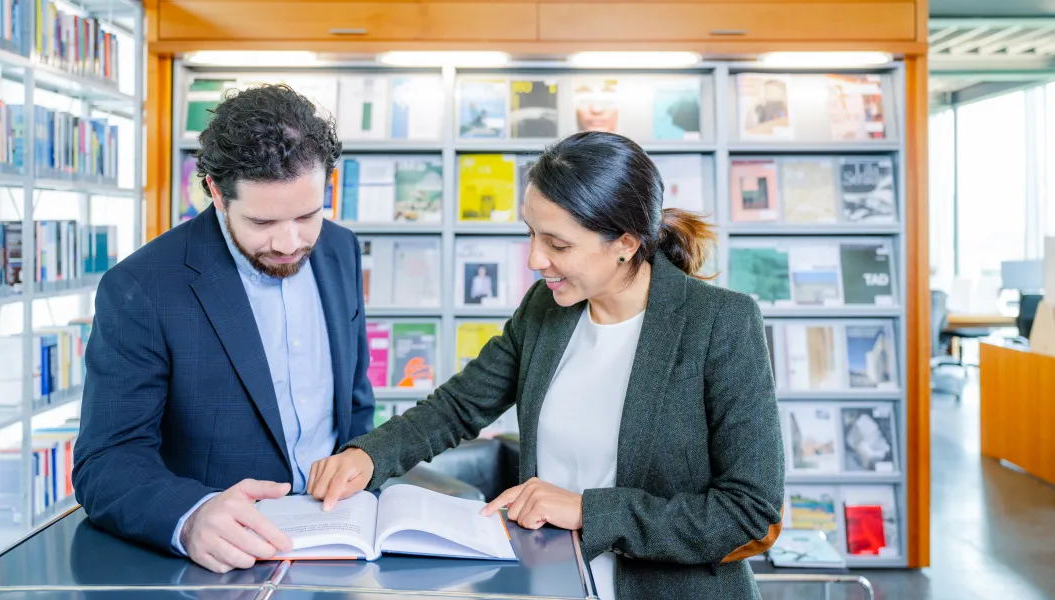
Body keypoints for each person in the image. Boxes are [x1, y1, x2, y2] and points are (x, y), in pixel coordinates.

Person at [308, 131, 785, 599]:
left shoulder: (720, 322)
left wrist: (587, 511)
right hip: (550, 583)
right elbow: (458, 407)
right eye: (531, 234)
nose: (536, 259)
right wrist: (368, 456)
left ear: (625, 242)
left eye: (558, 245)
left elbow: (748, 511)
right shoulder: (547, 307)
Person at [72, 84, 375, 574]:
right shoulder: (141, 286)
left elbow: (355, 401)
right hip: (219, 564)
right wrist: (188, 518)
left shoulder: (340, 249)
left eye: (307, 214)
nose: (289, 242)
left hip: (338, 549)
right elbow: (106, 460)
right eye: (262, 221)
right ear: (214, 190)